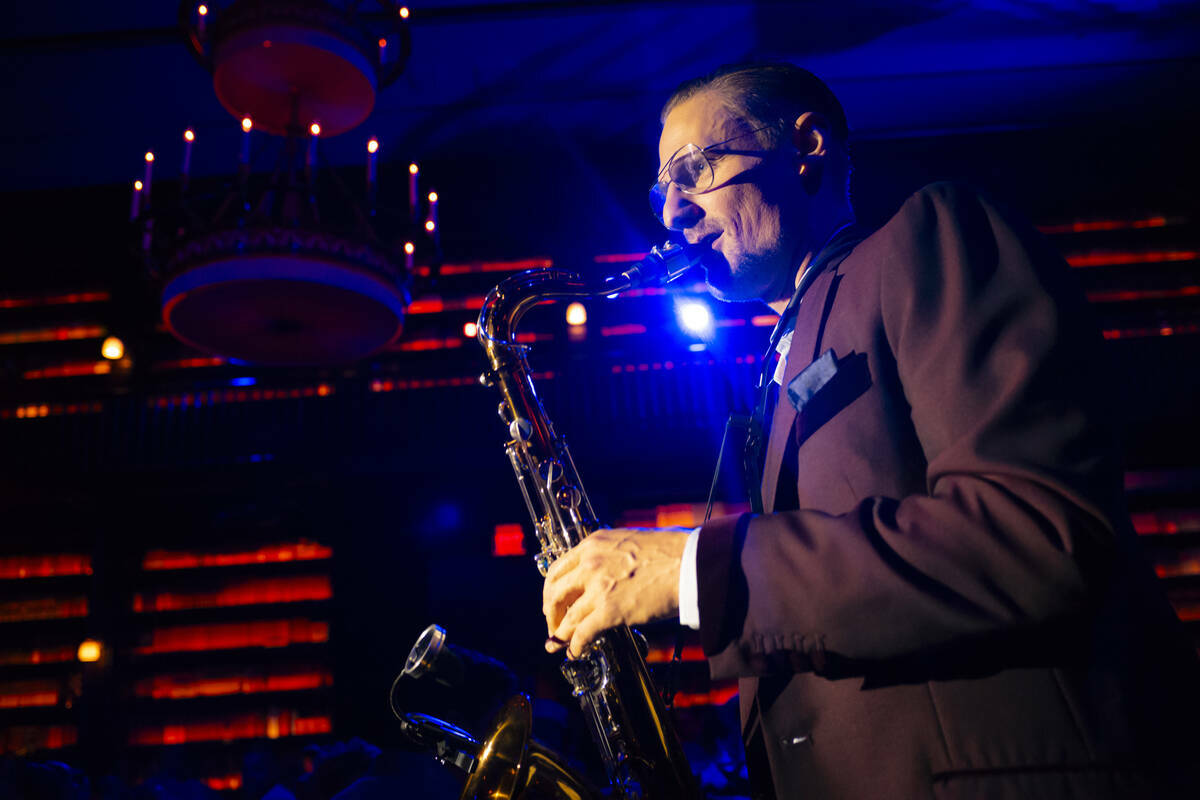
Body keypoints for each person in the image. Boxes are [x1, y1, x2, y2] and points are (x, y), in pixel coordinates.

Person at [541, 62, 1200, 799]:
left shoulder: (933, 234)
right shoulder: (774, 360)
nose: (672, 212)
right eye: (662, 187)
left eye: (695, 170)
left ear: (808, 145)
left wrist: (693, 572)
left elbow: (1035, 531)